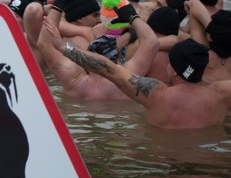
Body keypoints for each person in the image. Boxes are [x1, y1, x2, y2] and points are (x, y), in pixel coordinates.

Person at [50, 25, 231, 128]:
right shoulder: (221, 93)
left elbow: (108, 69)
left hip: (163, 161)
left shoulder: (156, 94)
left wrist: (63, 47)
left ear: (174, 69)